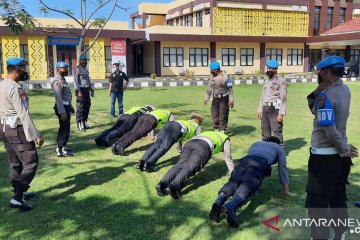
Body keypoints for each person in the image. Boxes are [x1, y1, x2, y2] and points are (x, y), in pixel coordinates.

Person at [305, 56, 358, 240]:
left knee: (317, 203)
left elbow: (329, 131)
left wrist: (343, 148)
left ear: (327, 72)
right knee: (338, 198)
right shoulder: (345, 89)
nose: (318, 74)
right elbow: (312, 105)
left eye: (320, 71)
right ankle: (340, 234)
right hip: (339, 160)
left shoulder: (324, 96)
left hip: (324, 159)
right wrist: (343, 149)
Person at [208, 137, 290, 228]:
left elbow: (251, 158)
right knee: (247, 185)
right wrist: (285, 191)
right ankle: (231, 206)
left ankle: (218, 202)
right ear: (278, 144)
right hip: (259, 164)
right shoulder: (278, 148)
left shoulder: (256, 143)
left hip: (244, 161)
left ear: (266, 141)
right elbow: (282, 169)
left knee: (233, 182)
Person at [0, 57, 44, 211]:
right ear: (17, 70)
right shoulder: (14, 88)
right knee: (31, 161)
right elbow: (23, 113)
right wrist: (36, 134)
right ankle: (18, 197)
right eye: (24, 68)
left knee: (15, 162)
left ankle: (19, 191)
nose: (26, 72)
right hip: (17, 129)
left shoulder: (2, 85)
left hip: (4, 128)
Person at [155, 131, 234, 199]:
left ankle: (161, 184)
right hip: (203, 146)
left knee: (179, 165)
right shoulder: (225, 138)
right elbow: (228, 157)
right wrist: (234, 173)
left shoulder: (208, 132)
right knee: (190, 167)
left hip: (190, 143)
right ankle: (174, 187)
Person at [137, 112, 203, 172]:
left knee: (156, 145)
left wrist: (180, 149)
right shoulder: (197, 127)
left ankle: (141, 162)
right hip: (176, 128)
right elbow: (196, 140)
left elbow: (180, 138)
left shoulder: (186, 122)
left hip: (169, 124)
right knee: (164, 147)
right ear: (199, 121)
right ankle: (149, 164)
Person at [256, 60, 287, 146]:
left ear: (275, 69)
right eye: (268, 68)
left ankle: (280, 151)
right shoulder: (266, 81)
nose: (268, 70)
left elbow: (283, 98)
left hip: (275, 107)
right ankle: (266, 150)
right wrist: (259, 109)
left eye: (270, 68)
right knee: (265, 131)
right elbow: (263, 96)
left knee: (276, 130)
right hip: (265, 107)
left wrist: (281, 113)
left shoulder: (281, 80)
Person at [51, 61, 74, 157]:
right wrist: (62, 111)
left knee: (66, 128)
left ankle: (62, 147)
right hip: (62, 107)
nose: (66, 70)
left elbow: (66, 94)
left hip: (66, 106)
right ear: (58, 70)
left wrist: (70, 106)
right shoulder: (57, 81)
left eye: (66, 69)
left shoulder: (63, 79)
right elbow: (58, 97)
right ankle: (59, 149)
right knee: (64, 128)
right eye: (64, 69)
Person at [204, 61, 234, 132]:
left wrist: (231, 99)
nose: (211, 71)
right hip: (215, 98)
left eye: (211, 70)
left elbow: (230, 88)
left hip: (224, 99)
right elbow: (210, 88)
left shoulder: (226, 76)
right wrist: (206, 97)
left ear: (216, 70)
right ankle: (216, 130)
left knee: (223, 115)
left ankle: (222, 131)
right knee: (214, 115)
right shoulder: (212, 77)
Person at [74, 54, 94, 132]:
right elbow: (75, 81)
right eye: (82, 61)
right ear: (79, 61)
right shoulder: (77, 69)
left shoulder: (86, 69)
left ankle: (84, 122)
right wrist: (78, 91)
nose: (84, 62)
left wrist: (91, 89)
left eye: (85, 61)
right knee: (80, 107)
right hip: (80, 90)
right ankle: (79, 124)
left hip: (86, 90)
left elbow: (88, 80)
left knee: (87, 106)